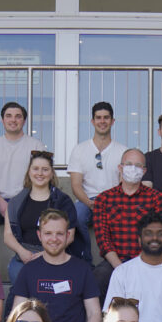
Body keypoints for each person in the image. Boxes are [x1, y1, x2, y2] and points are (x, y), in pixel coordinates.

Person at [10, 209, 102, 322]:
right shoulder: (29, 270)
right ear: (40, 236)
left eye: (59, 233)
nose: (54, 239)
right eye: (48, 233)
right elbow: (16, 313)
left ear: (68, 235)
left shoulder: (82, 269)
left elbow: (94, 312)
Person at [91, 148, 162, 298]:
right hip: (115, 261)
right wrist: (120, 269)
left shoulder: (156, 198)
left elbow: (160, 235)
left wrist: (139, 266)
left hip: (147, 260)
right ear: (120, 168)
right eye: (128, 164)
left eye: (138, 165)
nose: (133, 169)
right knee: (98, 278)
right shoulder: (104, 199)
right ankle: (102, 320)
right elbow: (103, 238)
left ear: (144, 170)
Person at [4, 150, 82, 284]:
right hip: (24, 255)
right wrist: (22, 252)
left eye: (45, 169)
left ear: (51, 173)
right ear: (29, 172)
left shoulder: (63, 201)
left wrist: (45, 254)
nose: (40, 173)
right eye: (35, 169)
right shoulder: (15, 202)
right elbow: (8, 235)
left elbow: (70, 235)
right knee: (18, 287)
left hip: (55, 253)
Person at [68, 101, 128, 262]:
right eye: (99, 118)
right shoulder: (80, 149)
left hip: (114, 200)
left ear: (112, 121)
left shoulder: (122, 151)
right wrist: (90, 203)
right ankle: (84, 262)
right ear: (92, 121)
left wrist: (109, 202)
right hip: (87, 200)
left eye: (106, 118)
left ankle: (115, 262)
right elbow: (75, 185)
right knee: (77, 215)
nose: (102, 121)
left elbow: (125, 184)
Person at [0, 101, 46, 225]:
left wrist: (19, 203)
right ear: (3, 120)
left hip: (26, 200)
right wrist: (1, 203)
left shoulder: (36, 146)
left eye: (18, 116)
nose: (13, 120)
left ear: (24, 121)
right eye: (9, 116)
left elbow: (43, 179)